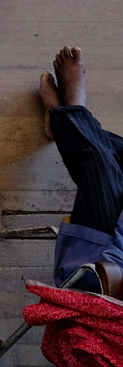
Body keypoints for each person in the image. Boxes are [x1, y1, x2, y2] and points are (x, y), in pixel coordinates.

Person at [38, 47, 123, 290]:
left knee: (102, 164)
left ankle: (68, 114)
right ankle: (65, 118)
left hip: (103, 274)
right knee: (110, 160)